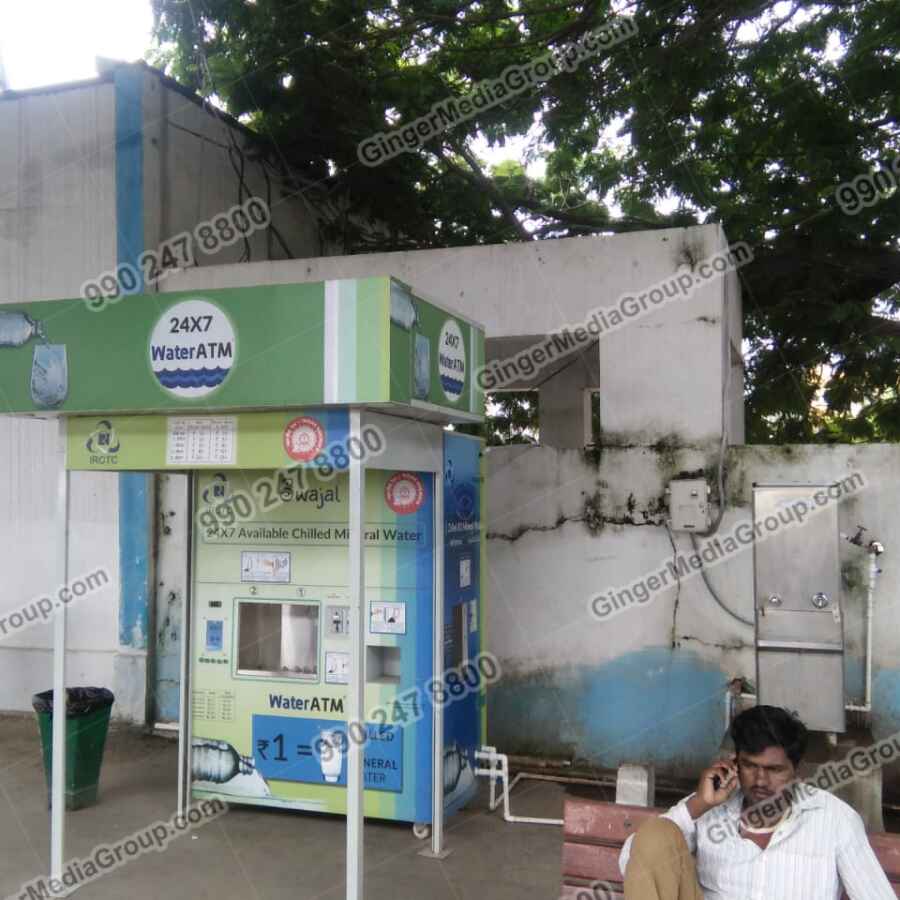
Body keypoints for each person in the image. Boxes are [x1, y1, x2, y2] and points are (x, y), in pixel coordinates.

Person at [619, 705, 895, 899]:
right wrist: (699, 805)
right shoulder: (711, 809)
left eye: (774, 770)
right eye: (750, 766)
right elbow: (633, 861)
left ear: (796, 771)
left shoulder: (835, 820)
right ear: (734, 763)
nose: (760, 780)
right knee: (657, 833)